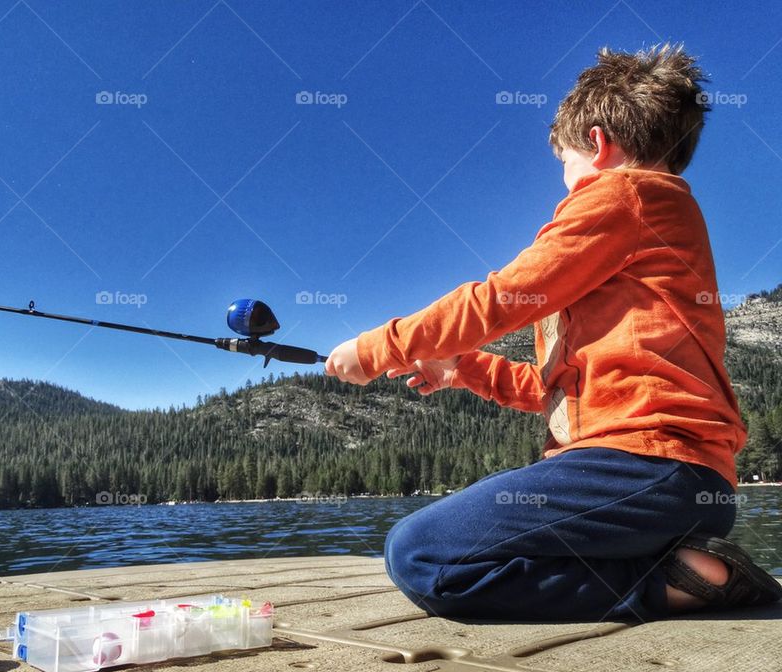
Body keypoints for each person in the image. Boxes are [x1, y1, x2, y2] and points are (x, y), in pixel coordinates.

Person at [324, 44, 782, 621]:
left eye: (564, 163)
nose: (564, 184)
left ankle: (681, 585)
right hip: (678, 485)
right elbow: (562, 392)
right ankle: (685, 569)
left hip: (654, 470)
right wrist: (462, 367)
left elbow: (498, 298)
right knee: (435, 553)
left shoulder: (625, 195)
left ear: (596, 143)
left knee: (420, 555)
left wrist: (375, 347)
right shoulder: (646, 225)